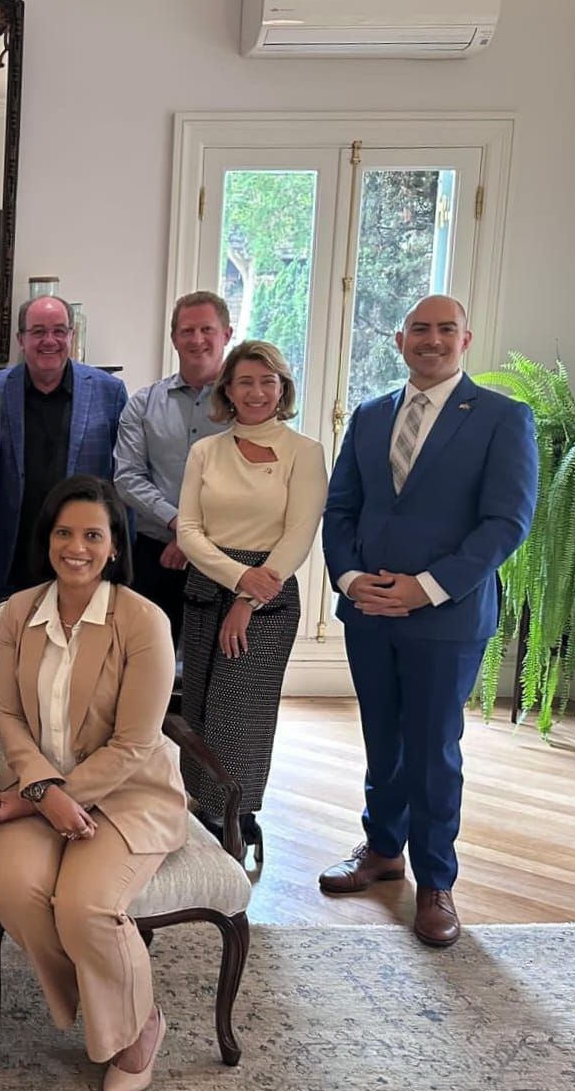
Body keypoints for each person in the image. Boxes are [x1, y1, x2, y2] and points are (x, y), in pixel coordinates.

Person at [318, 295, 536, 948]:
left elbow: (506, 523)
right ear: (399, 338)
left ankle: (436, 879)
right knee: (383, 738)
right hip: (369, 610)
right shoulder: (370, 414)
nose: (432, 339)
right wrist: (353, 579)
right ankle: (383, 847)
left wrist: (426, 587)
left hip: (446, 615)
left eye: (445, 329)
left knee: (434, 748)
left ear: (465, 339)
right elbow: (341, 509)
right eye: (420, 328)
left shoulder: (503, 418)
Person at [0, 475, 186, 1091]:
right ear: (47, 541)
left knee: (84, 907)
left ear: (115, 546)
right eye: (64, 533)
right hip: (36, 786)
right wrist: (43, 793)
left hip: (129, 792)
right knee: (14, 888)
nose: (77, 547)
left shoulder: (143, 620)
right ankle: (117, 1003)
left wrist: (50, 795)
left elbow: (136, 742)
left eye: (93, 535)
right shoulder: (17, 613)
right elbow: (8, 716)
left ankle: (137, 1028)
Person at [175, 340, 327, 862]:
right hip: (204, 588)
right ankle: (201, 809)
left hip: (269, 594)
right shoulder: (205, 452)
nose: (257, 392)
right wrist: (237, 576)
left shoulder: (304, 453)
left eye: (268, 381)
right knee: (197, 706)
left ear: (282, 388)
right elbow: (190, 531)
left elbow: (299, 533)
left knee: (241, 710)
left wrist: (248, 595)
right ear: (228, 391)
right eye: (245, 382)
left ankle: (236, 818)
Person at [0, 295, 130, 614]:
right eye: (38, 332)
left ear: (71, 336)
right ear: (21, 339)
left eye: (59, 331)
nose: (50, 340)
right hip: (10, 555)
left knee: (78, 660)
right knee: (5, 654)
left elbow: (122, 480)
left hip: (82, 558)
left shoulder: (109, 392)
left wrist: (118, 551)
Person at [114, 292, 233, 649]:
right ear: (174, 338)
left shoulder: (245, 404)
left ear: (226, 334)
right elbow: (127, 477)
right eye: (187, 330)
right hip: (155, 554)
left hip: (225, 552)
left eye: (207, 329)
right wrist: (179, 526)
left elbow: (247, 482)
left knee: (213, 664)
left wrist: (193, 538)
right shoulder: (144, 402)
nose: (197, 340)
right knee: (145, 660)